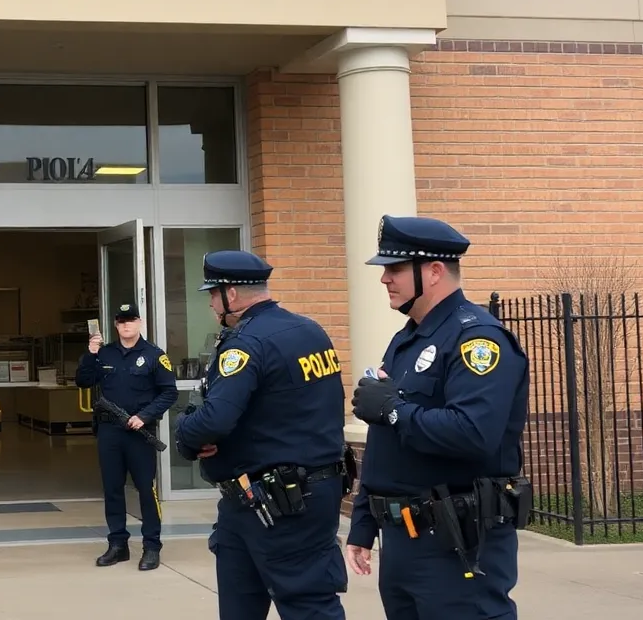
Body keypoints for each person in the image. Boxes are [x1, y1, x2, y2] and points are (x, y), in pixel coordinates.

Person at [346, 215, 531, 620]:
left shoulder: (477, 338)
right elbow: (385, 442)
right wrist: (363, 523)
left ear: (432, 272)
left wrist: (394, 408)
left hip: (457, 543)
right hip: (403, 541)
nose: (385, 280)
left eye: (394, 268)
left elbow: (473, 433)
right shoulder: (408, 339)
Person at [175, 251, 350, 620]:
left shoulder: (246, 343)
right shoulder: (310, 330)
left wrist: (186, 433)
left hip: (276, 503)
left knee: (304, 606)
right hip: (295, 492)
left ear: (231, 294)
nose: (210, 303)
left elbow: (214, 420)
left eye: (212, 294)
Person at [75, 302, 177, 570]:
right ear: (116, 325)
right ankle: (117, 544)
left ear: (140, 322)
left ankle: (151, 546)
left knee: (146, 489)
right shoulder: (105, 354)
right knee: (112, 489)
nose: (126, 325)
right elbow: (83, 381)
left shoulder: (154, 355)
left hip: (140, 432)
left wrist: (144, 416)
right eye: (121, 321)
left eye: (131, 320)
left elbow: (169, 392)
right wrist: (90, 353)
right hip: (109, 431)